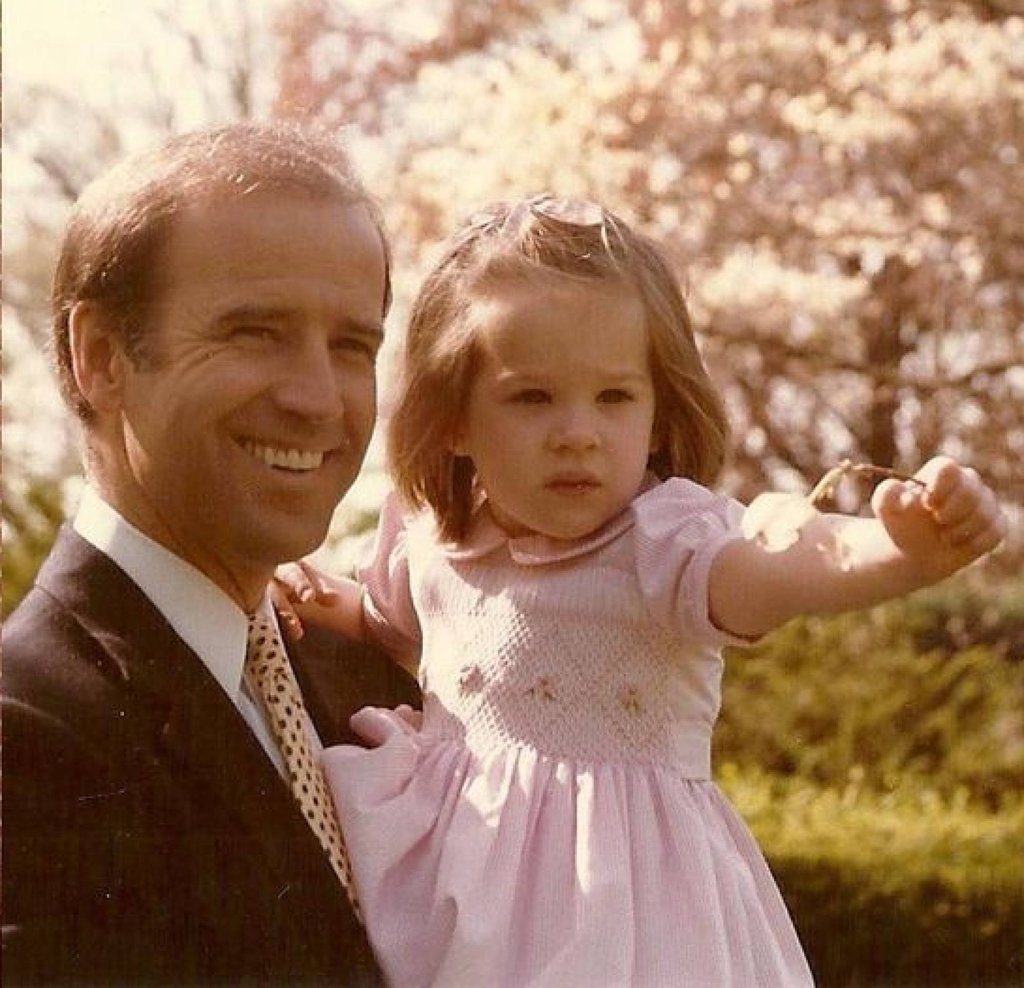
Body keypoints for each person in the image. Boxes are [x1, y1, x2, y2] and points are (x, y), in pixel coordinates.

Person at [276, 195, 1008, 988]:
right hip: (455, 892)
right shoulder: (435, 541)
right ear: (454, 420)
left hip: (629, 915)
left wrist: (902, 551)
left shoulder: (666, 546)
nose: (578, 432)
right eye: (532, 397)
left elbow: (786, 568)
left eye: (614, 397)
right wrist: (312, 599)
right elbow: (388, 625)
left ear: (659, 417)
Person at [1, 121, 420, 987]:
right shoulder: (24, 737)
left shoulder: (371, 678)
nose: (317, 398)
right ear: (100, 357)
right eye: (255, 332)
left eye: (353, 345)